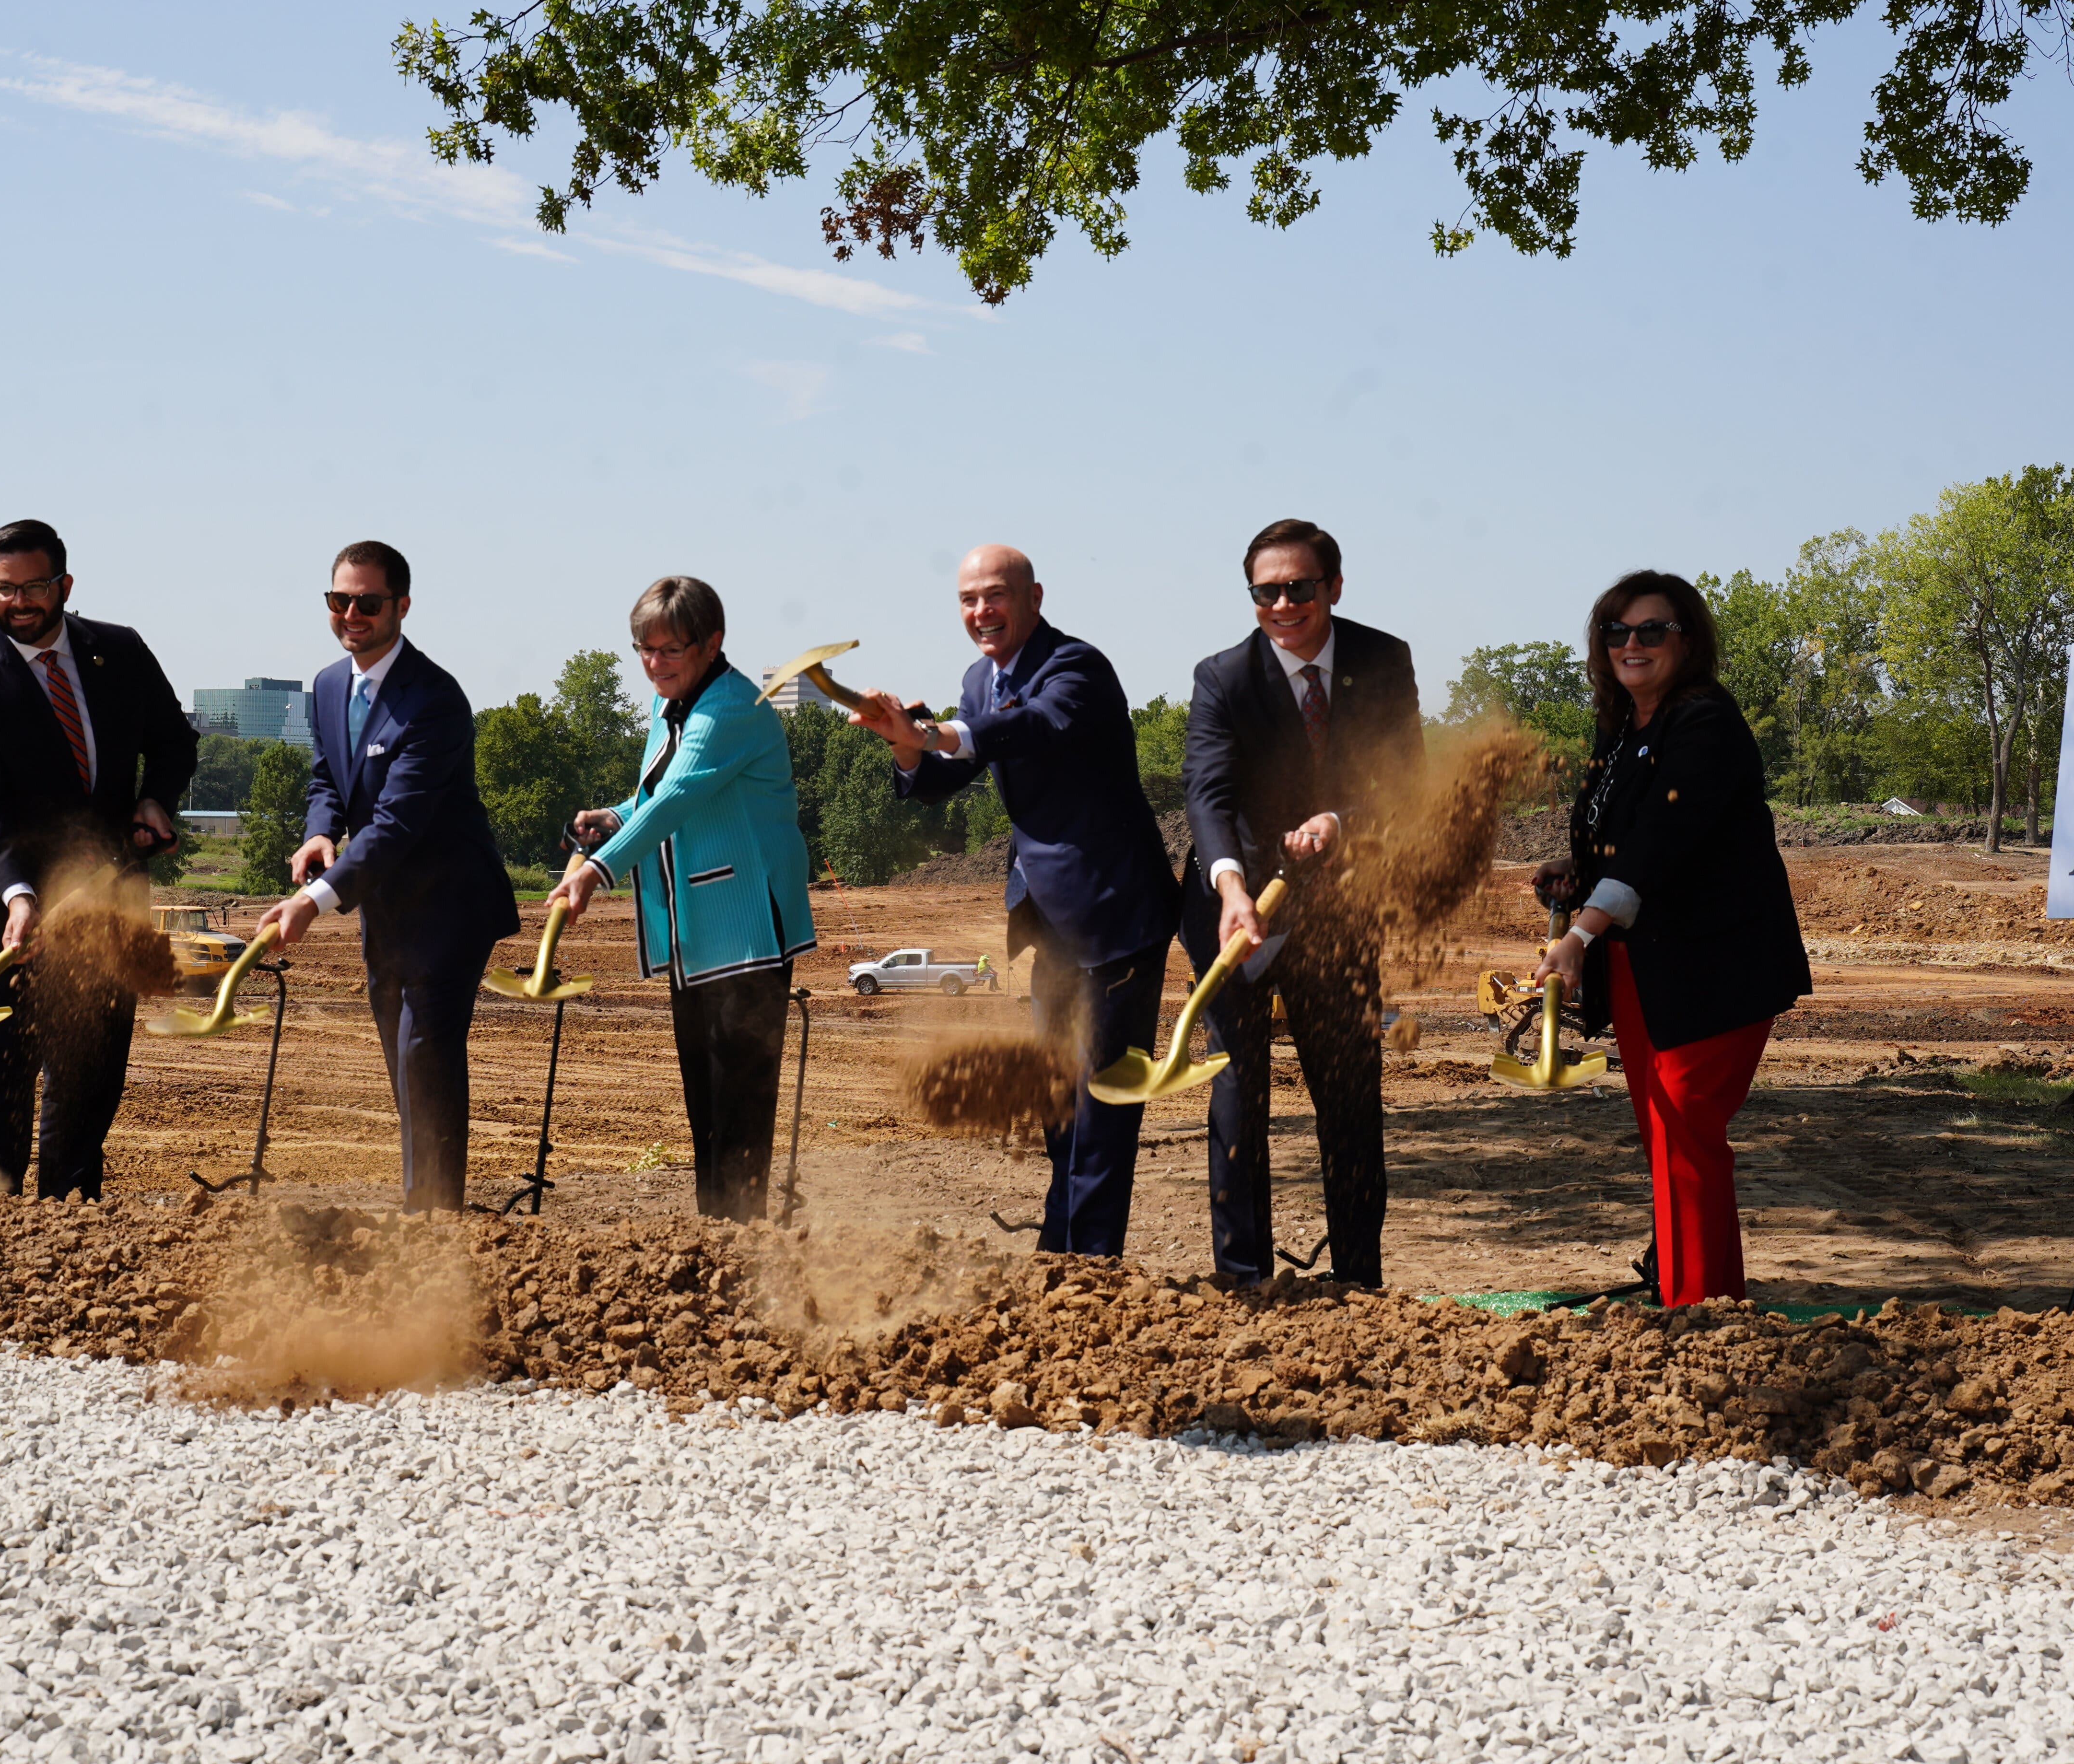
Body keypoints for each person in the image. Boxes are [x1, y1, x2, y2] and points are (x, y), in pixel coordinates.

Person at [849, 545, 1177, 1257]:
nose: (980, 612)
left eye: (995, 596)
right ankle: (1061, 1251)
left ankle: (1090, 1268)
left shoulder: (1076, 668)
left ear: (1034, 596)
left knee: (1105, 1097)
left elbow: (1032, 727)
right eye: (968, 600)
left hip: (1117, 910)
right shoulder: (980, 677)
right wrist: (906, 747)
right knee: (1056, 1091)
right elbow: (943, 775)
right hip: (1049, 920)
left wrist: (935, 732)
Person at [1535, 570, 1811, 1307]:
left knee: (1686, 1123)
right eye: (1616, 632)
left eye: (1652, 630)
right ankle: (1712, 1302)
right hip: (1646, 964)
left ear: (1687, 641)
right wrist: (1579, 869)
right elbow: (1620, 834)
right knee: (1667, 1134)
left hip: (1716, 965)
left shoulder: (1706, 724)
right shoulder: (1619, 724)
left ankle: (1691, 1311)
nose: (1633, 644)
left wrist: (1583, 934)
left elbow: (1662, 841)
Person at [1181, 518, 1422, 1287]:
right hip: (1238, 906)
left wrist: (1342, 822)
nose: (1283, 603)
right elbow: (1208, 794)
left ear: (1334, 587)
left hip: (1341, 909)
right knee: (1238, 1094)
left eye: (1299, 587)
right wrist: (1230, 886)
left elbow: (1406, 783)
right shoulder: (1223, 677)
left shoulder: (1384, 661)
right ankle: (1243, 1276)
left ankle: (1358, 1278)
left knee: (1350, 1097)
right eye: (1266, 590)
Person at [0, 519, 199, 1199]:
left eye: (34, 587)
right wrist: (18, 895)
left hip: (110, 904)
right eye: (2, 589)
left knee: (91, 1068)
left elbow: (173, 741)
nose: (18, 602)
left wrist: (155, 801)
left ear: (64, 586)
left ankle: (71, 1218)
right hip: (7, 915)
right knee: (2, 1071)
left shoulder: (121, 652)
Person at [254, 541, 518, 1212]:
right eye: (338, 601)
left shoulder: (434, 700)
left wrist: (315, 899)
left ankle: (432, 1221)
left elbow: (398, 822)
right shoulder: (328, 686)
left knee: (425, 1051)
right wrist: (320, 830)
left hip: (451, 905)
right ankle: (426, 1208)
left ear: (401, 606)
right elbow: (328, 780)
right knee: (402, 1058)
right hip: (386, 906)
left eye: (367, 603)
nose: (352, 614)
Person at [547, 577, 816, 1219]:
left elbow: (676, 801)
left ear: (712, 642)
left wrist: (596, 871)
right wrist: (610, 818)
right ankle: (719, 1240)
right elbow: (651, 799)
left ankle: (742, 1251)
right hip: (698, 941)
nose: (654, 664)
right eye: (644, 649)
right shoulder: (674, 706)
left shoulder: (730, 709)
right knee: (707, 1111)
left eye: (670, 650)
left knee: (738, 1113)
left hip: (747, 937)